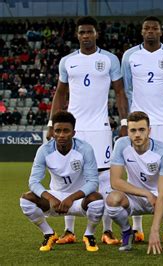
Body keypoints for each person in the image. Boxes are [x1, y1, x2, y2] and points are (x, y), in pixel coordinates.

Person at [49, 16, 129, 246]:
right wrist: (51, 125)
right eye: (82, 32)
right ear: (77, 35)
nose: (86, 36)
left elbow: (120, 92)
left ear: (96, 34)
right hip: (74, 129)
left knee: (104, 179)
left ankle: (105, 230)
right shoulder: (67, 61)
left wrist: (123, 123)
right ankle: (68, 231)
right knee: (70, 176)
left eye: (90, 32)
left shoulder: (109, 59)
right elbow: (60, 93)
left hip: (100, 129)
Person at [122, 16, 163, 244]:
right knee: (134, 167)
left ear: (160, 31)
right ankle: (137, 227)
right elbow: (127, 89)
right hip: (138, 122)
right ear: (141, 31)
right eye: (146, 28)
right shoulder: (130, 56)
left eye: (154, 28)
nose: (150, 31)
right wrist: (131, 116)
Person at [19, 111, 104, 252]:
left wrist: (71, 198)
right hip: (56, 199)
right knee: (26, 199)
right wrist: (50, 198)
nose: (61, 135)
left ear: (73, 132)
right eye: (57, 131)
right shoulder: (44, 150)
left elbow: (93, 182)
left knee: (97, 200)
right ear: (52, 132)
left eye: (66, 131)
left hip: (78, 200)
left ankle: (89, 235)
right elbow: (34, 181)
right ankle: (49, 233)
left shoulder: (85, 149)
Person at [105, 111, 163, 253]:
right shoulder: (121, 145)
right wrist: (146, 193)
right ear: (128, 132)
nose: (137, 134)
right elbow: (115, 182)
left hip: (161, 197)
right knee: (112, 200)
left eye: (142, 130)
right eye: (133, 130)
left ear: (149, 130)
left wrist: (154, 230)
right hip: (135, 196)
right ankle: (127, 231)